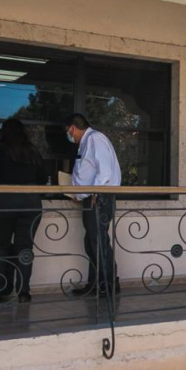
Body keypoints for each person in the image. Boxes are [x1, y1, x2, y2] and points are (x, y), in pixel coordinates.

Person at [0, 119, 46, 303]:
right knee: (25, 248)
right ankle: (24, 292)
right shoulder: (33, 151)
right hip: (31, 202)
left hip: (4, 200)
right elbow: (43, 179)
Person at [65, 113, 122, 298]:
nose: (69, 135)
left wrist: (94, 193)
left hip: (99, 198)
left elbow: (104, 172)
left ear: (72, 128)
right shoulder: (86, 142)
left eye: (68, 131)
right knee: (92, 243)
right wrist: (78, 194)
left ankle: (108, 285)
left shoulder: (95, 139)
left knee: (98, 242)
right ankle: (96, 284)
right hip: (91, 197)